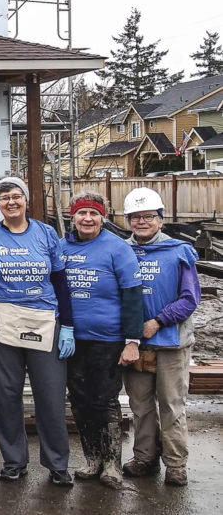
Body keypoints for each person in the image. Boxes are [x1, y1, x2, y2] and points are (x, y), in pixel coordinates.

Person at [0, 176, 74, 487]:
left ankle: (57, 464)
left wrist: (68, 326)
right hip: (2, 323)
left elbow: (60, 282)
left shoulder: (46, 233)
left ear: (26, 200)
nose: (11, 202)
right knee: (5, 397)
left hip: (44, 321)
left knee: (51, 396)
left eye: (16, 196)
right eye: (4, 197)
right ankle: (13, 461)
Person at [60, 192, 144, 490]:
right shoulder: (62, 247)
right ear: (72, 217)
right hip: (71, 340)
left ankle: (111, 464)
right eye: (81, 213)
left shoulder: (118, 248)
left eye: (93, 214)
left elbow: (133, 296)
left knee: (105, 400)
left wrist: (132, 341)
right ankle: (92, 458)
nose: (87, 219)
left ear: (103, 218)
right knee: (79, 399)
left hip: (107, 339)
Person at [121, 187, 201, 486]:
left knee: (171, 405)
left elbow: (190, 298)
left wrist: (158, 321)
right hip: (134, 344)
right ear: (128, 220)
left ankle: (176, 464)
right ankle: (145, 458)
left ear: (160, 219)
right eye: (135, 217)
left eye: (148, 216)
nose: (142, 222)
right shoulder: (122, 251)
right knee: (140, 406)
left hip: (171, 343)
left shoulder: (178, 251)